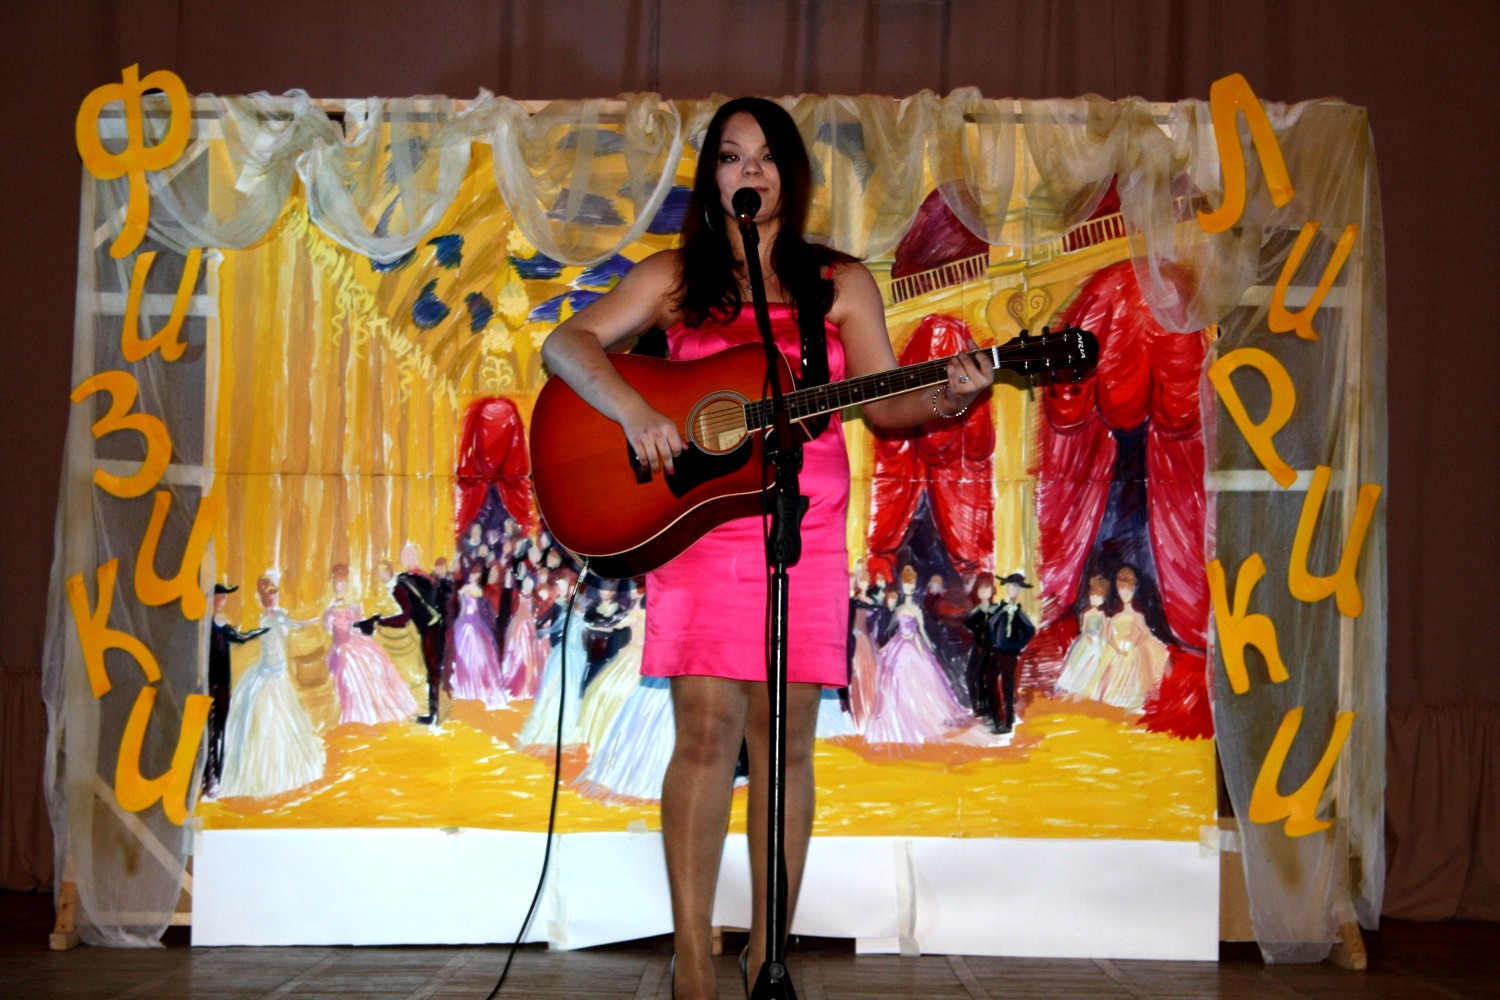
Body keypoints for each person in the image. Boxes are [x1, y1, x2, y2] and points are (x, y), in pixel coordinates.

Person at [540, 96, 994, 1000]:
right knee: (706, 734)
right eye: (730, 156)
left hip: (803, 527)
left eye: (765, 157)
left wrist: (951, 394)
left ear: (791, 174)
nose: (748, 171)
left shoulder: (839, 282)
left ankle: (766, 957)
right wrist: (636, 411)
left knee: (783, 744)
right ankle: (694, 961)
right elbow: (566, 344)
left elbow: (882, 404)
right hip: (702, 521)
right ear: (712, 176)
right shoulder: (676, 276)